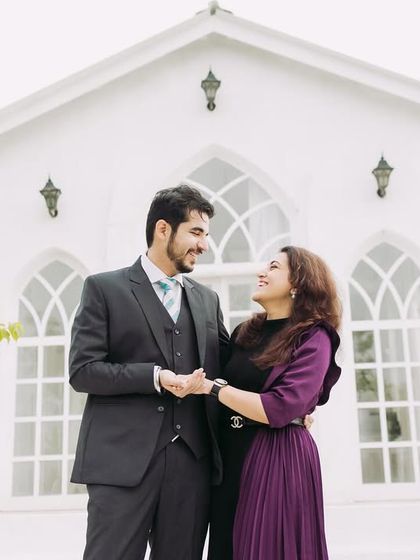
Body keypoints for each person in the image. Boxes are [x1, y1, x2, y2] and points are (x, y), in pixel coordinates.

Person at [69, 185, 230, 560]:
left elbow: (231, 366)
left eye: (206, 235)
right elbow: (84, 370)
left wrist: (290, 399)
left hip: (192, 464)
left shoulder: (208, 299)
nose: (204, 245)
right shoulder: (104, 288)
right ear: (163, 229)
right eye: (196, 232)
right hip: (121, 463)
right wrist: (156, 377)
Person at [195, 245, 341, 560]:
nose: (262, 272)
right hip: (229, 457)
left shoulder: (315, 337)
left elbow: (281, 407)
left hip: (279, 459)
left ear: (298, 284)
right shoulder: (243, 333)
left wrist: (215, 388)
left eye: (274, 267)